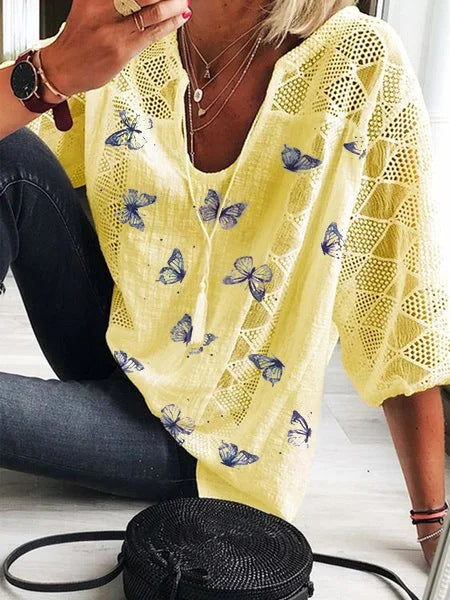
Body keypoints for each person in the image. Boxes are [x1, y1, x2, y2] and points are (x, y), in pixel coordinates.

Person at [0, 0, 449, 568]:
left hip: (207, 439)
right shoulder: (130, 25)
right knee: (9, 152)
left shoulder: (360, 63)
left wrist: (434, 523)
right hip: (113, 337)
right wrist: (52, 72)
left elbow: (400, 313)